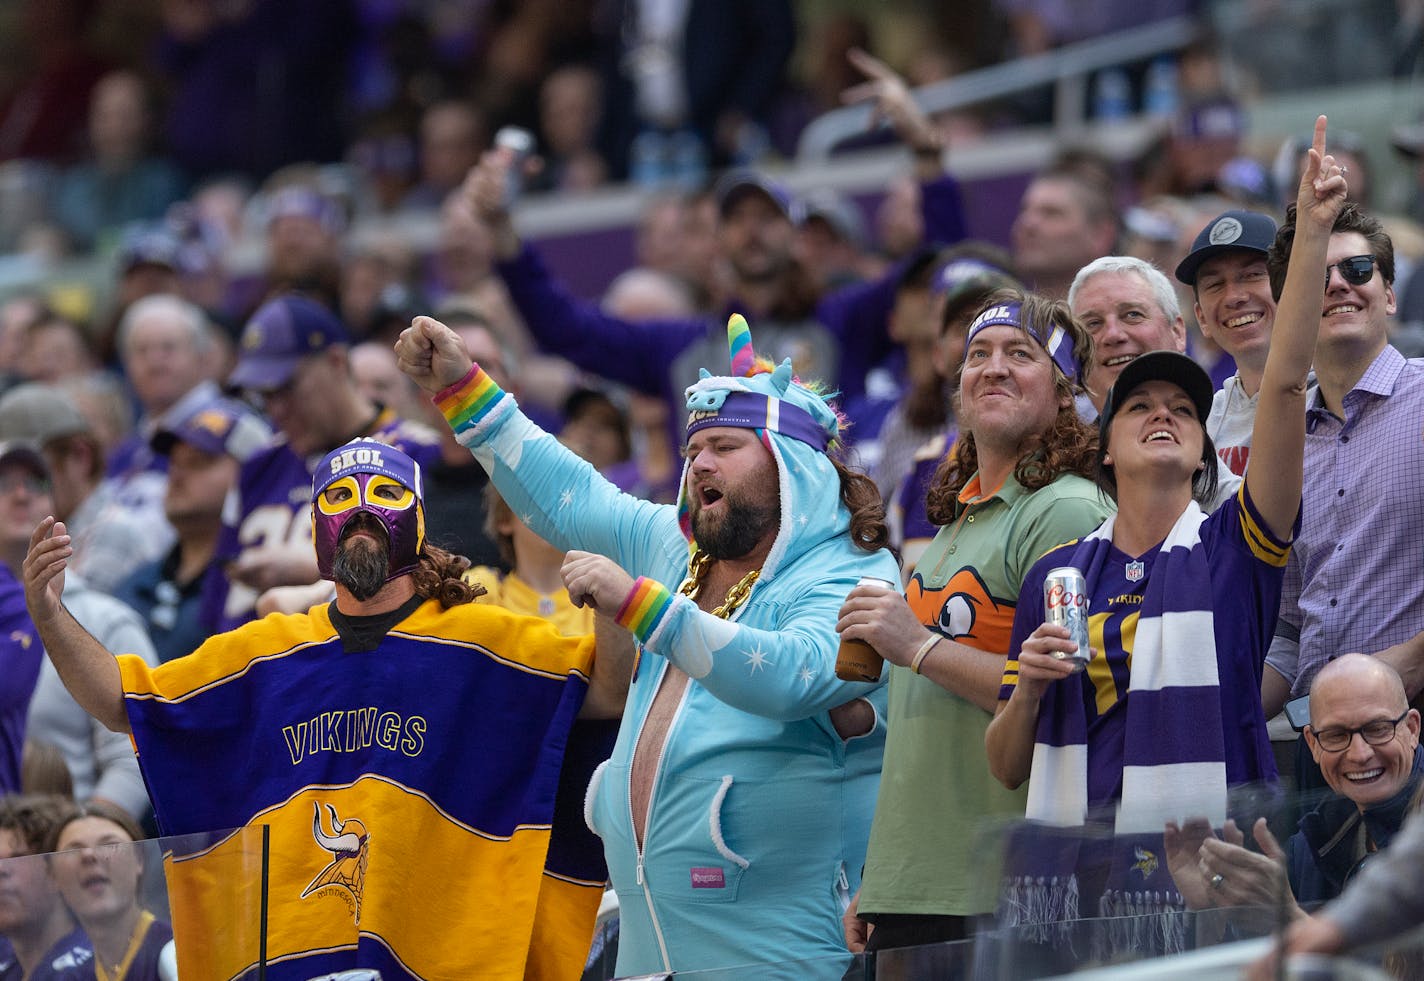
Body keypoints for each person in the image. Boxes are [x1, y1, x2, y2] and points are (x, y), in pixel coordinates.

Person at [397, 312, 901, 977]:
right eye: (693, 451)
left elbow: (790, 673)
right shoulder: (676, 545)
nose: (700, 463)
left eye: (725, 445)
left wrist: (639, 605)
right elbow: (568, 495)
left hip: (786, 952)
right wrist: (465, 388)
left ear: (794, 465)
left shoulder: (849, 570)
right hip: (651, 950)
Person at [22, 438, 630, 981]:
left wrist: (611, 602)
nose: (363, 508)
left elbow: (607, 692)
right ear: (315, 529)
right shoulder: (264, 653)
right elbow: (123, 702)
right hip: (296, 954)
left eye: (386, 492)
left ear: (418, 524)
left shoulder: (484, 642)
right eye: (340, 496)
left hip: (445, 959)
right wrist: (50, 615)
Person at [985, 116, 1345, 944]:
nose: (1164, 416)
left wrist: (1314, 236)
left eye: (1182, 407)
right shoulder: (1056, 572)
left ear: (1203, 444)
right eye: (1140, 406)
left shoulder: (1236, 548)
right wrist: (1032, 685)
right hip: (1074, 894)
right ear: (1102, 446)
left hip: (1208, 880)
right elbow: (1007, 765)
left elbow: (1286, 386)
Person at [838, 290, 1112, 971]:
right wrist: (886, 866)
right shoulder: (955, 522)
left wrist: (920, 645)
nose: (992, 367)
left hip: (998, 883)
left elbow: (1063, 699)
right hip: (917, 881)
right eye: (977, 355)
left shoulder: (1066, 509)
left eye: (1020, 354)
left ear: (1063, 390)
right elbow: (919, 728)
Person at [1261, 197, 1424, 720]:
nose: (1336, 285)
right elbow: (1288, 625)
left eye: (1357, 269)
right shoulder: (1280, 442)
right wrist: (1224, 718)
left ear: (1391, 294)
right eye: (1316, 277)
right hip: (1318, 736)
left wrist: (1410, 665)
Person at [205, 292, 441, 631]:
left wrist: (315, 570)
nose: (277, 410)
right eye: (266, 396)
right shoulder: (258, 468)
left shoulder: (416, 456)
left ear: (336, 362)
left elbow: (440, 577)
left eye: (286, 387)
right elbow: (214, 603)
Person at [1167, 654, 1421, 922]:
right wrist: (1215, 909)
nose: (1359, 754)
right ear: (1312, 744)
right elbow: (1268, 954)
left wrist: (1289, 920)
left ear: (1412, 729)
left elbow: (1399, 960)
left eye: (1378, 729)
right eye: (1336, 735)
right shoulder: (1315, 841)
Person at [0, 443, 156, 822]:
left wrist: (72, 844)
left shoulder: (107, 618)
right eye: (4, 484)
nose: (21, 494)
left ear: (55, 504)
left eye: (35, 483)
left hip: (70, 851)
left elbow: (140, 752)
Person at [112, 396, 271, 663]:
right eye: (174, 462)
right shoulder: (135, 582)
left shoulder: (258, 586)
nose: (177, 475)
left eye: (198, 462)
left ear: (251, 474)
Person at [1173, 210, 1280, 475]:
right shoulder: (1204, 422)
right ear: (1201, 318)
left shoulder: (1335, 396)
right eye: (1215, 284)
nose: (1234, 297)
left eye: (1253, 275)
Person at [48, 801, 176, 981]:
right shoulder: (63, 971)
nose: (89, 855)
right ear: (52, 875)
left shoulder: (176, 953)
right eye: (73, 849)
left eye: (109, 844)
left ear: (139, 859)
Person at [1067, 255, 1188, 413]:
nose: (1113, 335)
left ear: (1177, 332)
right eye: (1093, 323)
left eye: (1133, 315)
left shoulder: (1223, 431)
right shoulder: (1051, 437)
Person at [0, 794, 94, 980]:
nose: (1, 870)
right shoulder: (10, 968)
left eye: (18, 858)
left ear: (57, 871)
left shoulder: (88, 971)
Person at [1010, 162, 1120, 301]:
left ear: (1101, 235)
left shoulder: (1120, 319)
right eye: (1024, 210)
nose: (1028, 224)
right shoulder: (1000, 317)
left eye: (1051, 213)